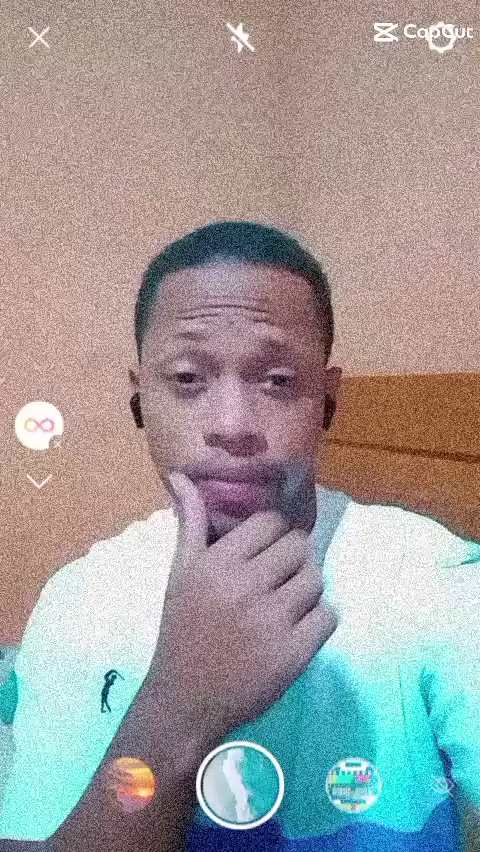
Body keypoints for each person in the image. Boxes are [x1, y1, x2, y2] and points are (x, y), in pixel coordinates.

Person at [1, 220, 479, 852]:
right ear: (140, 400)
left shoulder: (438, 584)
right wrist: (178, 703)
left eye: (278, 381)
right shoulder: (80, 600)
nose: (232, 425)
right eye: (187, 379)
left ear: (327, 402)